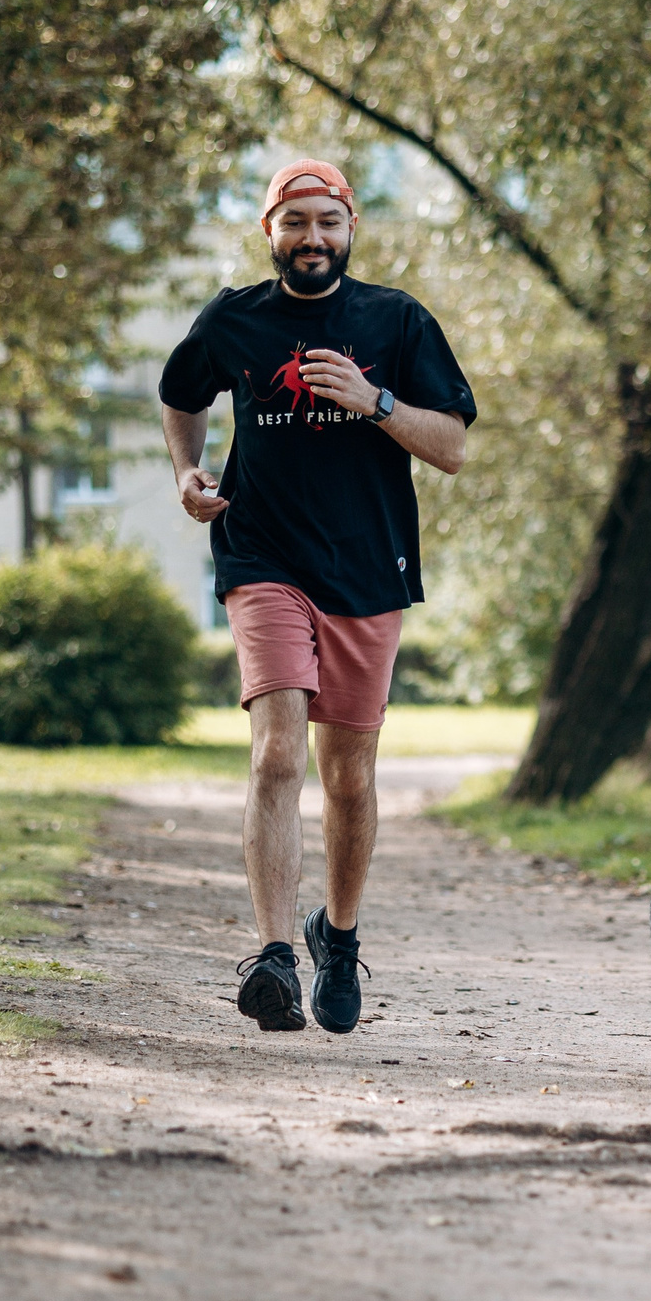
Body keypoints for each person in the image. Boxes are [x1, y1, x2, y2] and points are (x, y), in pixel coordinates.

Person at [158, 159, 476, 1034]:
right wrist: (188, 471)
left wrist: (374, 401)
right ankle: (272, 957)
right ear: (270, 231)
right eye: (293, 222)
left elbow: (449, 446)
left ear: (350, 229)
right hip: (262, 556)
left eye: (326, 222)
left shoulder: (397, 319)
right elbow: (180, 395)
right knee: (276, 756)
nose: (311, 239)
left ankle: (336, 934)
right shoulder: (234, 318)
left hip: (369, 569)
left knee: (350, 776)